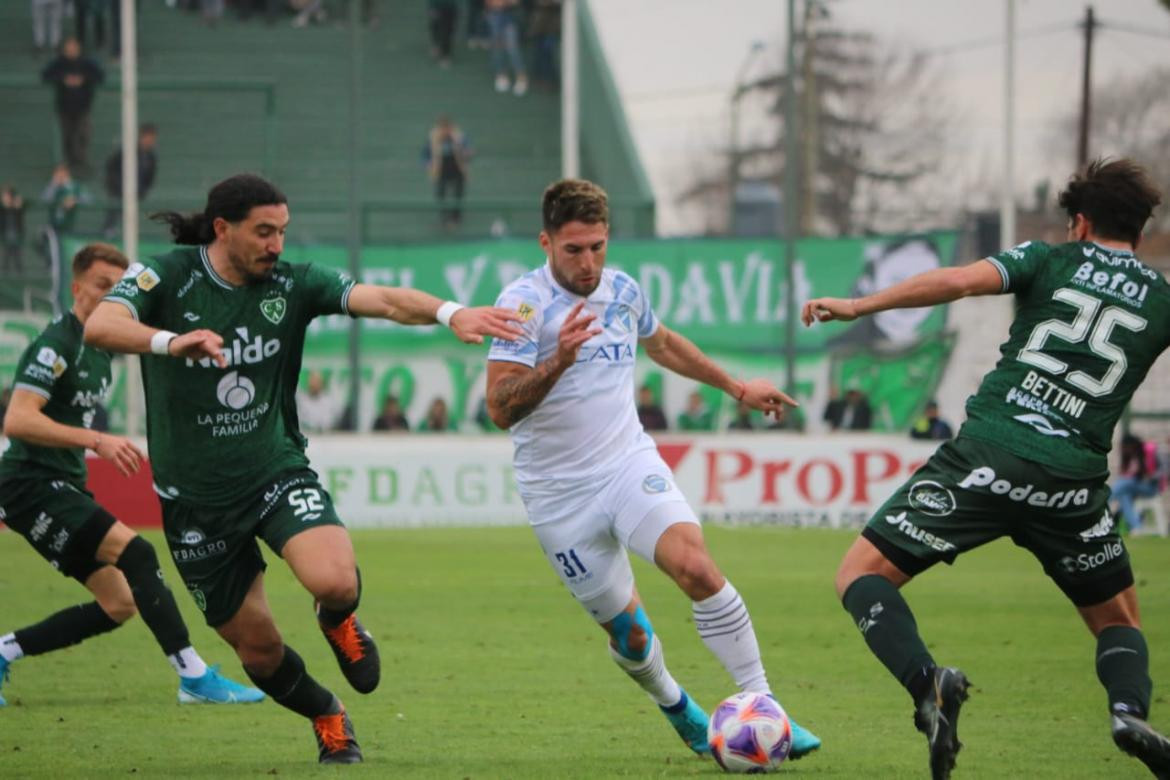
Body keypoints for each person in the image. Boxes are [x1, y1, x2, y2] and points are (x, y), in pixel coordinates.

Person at [83, 173, 520, 764]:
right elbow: (100, 324)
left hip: (273, 471)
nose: (276, 245)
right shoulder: (167, 275)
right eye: (264, 232)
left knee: (335, 580)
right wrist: (170, 342)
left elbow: (383, 299)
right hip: (194, 503)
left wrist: (451, 312)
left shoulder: (293, 283)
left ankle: (337, 620)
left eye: (282, 232)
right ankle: (326, 714)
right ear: (222, 229)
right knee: (259, 652)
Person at [801, 158, 1170, 779]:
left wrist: (861, 306)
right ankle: (1128, 711)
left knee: (861, 574)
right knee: (1117, 620)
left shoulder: (1049, 259)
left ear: (1079, 222)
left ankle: (928, 686)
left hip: (988, 458)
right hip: (1071, 484)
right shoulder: (1162, 297)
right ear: (1139, 228)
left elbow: (958, 281)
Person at [484, 178, 821, 760]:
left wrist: (736, 386)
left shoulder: (623, 292)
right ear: (546, 243)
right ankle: (676, 706)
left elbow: (662, 344)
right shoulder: (521, 306)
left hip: (626, 465)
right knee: (631, 636)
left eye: (598, 246)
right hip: (557, 497)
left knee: (695, 567)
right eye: (573, 250)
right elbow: (499, 407)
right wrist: (560, 359)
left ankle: (767, 707)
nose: (588, 262)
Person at [0, 242, 262, 709]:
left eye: (115, 289)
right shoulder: (57, 345)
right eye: (100, 286)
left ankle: (2, 652)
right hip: (29, 484)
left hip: (58, 484)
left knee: (118, 603)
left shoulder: (102, 348)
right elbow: (18, 420)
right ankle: (193, 676)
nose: (107, 297)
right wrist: (97, 441)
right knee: (138, 553)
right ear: (76, 288)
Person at [41, 37, 105, 174]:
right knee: (67, 135)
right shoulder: (59, 63)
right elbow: (46, 75)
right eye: (68, 49)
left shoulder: (87, 62)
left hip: (83, 106)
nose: (71, 51)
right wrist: (64, 79)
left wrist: (83, 79)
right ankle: (70, 162)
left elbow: (100, 76)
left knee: (83, 133)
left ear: (79, 48)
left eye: (74, 48)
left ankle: (80, 160)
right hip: (64, 106)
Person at [102, 123, 160, 239]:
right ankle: (108, 232)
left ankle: (130, 236)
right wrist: (116, 185)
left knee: (131, 215)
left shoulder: (151, 157)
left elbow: (150, 177)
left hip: (136, 192)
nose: (150, 141)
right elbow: (112, 167)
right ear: (142, 136)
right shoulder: (128, 151)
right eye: (148, 137)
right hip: (119, 190)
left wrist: (143, 190)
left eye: (152, 138)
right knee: (115, 211)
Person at [1111, 433, 1161, 535]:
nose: (1125, 449)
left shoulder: (1147, 451)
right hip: (1133, 487)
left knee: (1124, 482)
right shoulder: (1129, 457)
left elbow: (1156, 472)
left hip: (1150, 487)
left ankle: (1103, 503)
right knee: (1124, 496)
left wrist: (1148, 475)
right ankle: (1137, 527)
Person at [427, 116, 471, 230]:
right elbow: (425, 156)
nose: (445, 131)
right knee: (440, 194)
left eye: (447, 128)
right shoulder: (433, 139)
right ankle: (444, 219)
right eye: (442, 128)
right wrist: (429, 166)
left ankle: (456, 219)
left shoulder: (460, 137)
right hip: (442, 171)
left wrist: (460, 146)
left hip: (457, 170)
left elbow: (469, 153)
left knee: (458, 195)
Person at [485, 0, 528, 96]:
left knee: (512, 48)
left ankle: (521, 77)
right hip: (494, 15)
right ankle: (501, 75)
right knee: (497, 48)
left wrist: (506, 3)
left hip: (510, 16)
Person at [42, 163, 88, 235]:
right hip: (53, 226)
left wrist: (75, 200)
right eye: (57, 174)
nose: (60, 177)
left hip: (70, 226)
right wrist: (53, 185)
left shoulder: (76, 186)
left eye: (62, 174)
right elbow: (44, 199)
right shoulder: (53, 187)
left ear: (67, 174)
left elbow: (88, 199)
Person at [1, 185, 26, 273]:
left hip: (16, 235)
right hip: (6, 235)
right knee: (6, 257)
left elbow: (26, 204)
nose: (4, 198)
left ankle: (19, 274)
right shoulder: (2, 208)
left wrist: (17, 205)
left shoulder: (17, 207)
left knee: (17, 256)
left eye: (6, 196)